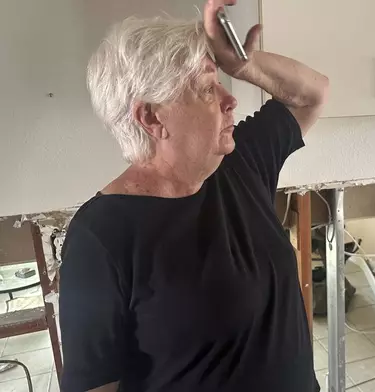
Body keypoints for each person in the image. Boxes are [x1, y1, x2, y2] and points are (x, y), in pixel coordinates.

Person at [58, 0, 328, 390]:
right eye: (206, 88)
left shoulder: (241, 162)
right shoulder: (99, 237)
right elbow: (94, 385)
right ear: (151, 118)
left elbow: (314, 94)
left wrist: (243, 65)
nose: (229, 98)